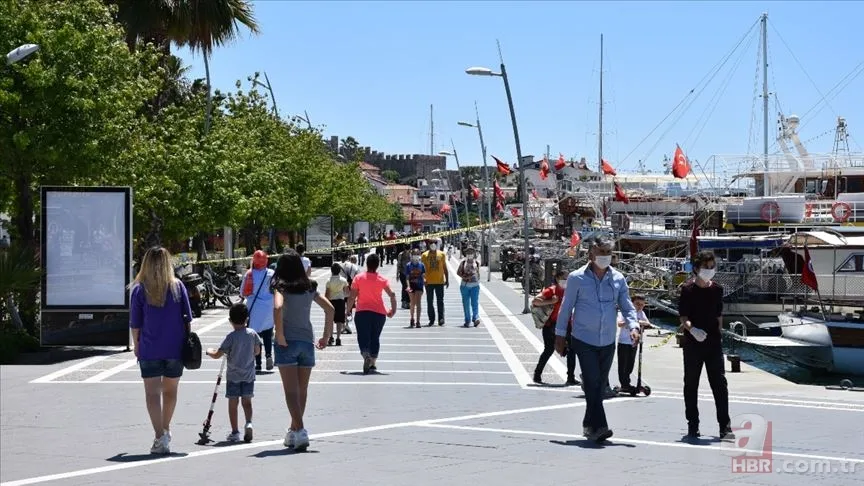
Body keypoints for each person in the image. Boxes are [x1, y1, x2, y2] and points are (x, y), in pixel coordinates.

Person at [555, 236, 640, 443]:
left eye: (608, 253)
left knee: (598, 386)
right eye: (601, 253)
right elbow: (566, 308)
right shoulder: (577, 278)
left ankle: (588, 425)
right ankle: (600, 427)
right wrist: (559, 335)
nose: (605, 257)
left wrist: (634, 326)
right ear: (591, 254)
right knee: (593, 382)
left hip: (607, 339)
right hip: (583, 338)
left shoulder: (618, 278)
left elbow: (627, 305)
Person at [129, 246, 193, 455]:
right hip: (175, 347)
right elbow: (188, 320)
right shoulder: (177, 287)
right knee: (171, 392)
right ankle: (166, 428)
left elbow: (135, 324)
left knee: (152, 394)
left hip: (149, 347)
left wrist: (137, 346)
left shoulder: (139, 289)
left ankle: (159, 436)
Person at [271, 249, 335, 451]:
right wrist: (326, 336)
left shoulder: (280, 288)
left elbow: (278, 308)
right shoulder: (309, 288)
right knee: (302, 390)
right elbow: (330, 309)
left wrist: (280, 334)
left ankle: (300, 430)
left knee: (290, 391)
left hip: (287, 342)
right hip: (307, 341)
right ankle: (293, 430)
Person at [679, 250, 734, 441]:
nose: (710, 270)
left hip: (713, 344)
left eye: (712, 267)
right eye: (706, 267)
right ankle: (692, 424)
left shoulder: (717, 289)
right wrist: (692, 330)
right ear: (696, 268)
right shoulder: (687, 289)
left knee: (719, 384)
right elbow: (684, 317)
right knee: (691, 384)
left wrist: (718, 335)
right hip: (693, 343)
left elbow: (719, 315)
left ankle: (724, 426)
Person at [205, 303, 263, 443]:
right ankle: (248, 423)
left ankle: (235, 431)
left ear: (230, 321)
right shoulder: (252, 334)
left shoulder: (231, 337)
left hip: (233, 376)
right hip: (249, 375)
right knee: (247, 402)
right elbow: (257, 351)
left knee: (233, 403)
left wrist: (209, 351)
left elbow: (218, 354)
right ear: (247, 319)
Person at [347, 254, 397, 374]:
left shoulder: (358, 278)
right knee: (375, 337)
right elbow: (392, 294)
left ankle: (365, 355)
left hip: (362, 311)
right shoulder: (382, 279)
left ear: (366, 264)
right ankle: (373, 362)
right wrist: (392, 311)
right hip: (379, 313)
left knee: (363, 336)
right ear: (378, 265)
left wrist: (347, 310)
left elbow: (352, 296)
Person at [532, 270, 577, 385]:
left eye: (567, 278)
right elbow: (535, 301)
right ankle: (537, 374)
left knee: (572, 350)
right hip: (551, 325)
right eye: (563, 278)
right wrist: (550, 301)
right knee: (549, 350)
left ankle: (571, 377)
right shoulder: (552, 290)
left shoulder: (570, 291)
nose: (566, 280)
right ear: (557, 278)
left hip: (567, 325)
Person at [240, 250, 276, 372]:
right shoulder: (271, 273)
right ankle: (269, 356)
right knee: (267, 334)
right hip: (268, 308)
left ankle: (258, 363)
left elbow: (242, 293)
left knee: (255, 337)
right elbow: (277, 289)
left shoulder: (249, 274)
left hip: (254, 309)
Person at [616, 294, 654, 393]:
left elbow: (647, 323)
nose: (639, 307)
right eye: (637, 304)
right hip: (624, 341)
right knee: (623, 364)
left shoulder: (641, 313)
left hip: (634, 342)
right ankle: (624, 384)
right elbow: (620, 323)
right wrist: (632, 323)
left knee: (630, 363)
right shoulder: (626, 312)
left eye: (642, 305)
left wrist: (637, 322)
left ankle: (628, 382)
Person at [421, 238, 448, 326]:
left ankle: (441, 318)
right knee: (429, 301)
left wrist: (447, 279)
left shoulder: (442, 254)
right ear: (428, 244)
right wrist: (424, 279)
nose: (433, 244)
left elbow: (444, 267)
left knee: (440, 301)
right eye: (431, 243)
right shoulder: (424, 255)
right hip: (429, 282)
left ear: (437, 244)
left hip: (439, 281)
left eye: (434, 243)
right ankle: (431, 319)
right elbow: (422, 270)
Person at [325, 263, 350, 346]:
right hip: (340, 301)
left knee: (330, 320)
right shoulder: (343, 280)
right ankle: (338, 338)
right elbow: (347, 293)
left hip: (331, 302)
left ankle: (331, 337)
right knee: (339, 321)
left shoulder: (328, 281)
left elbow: (327, 294)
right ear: (339, 271)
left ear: (331, 271)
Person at [456, 246, 481, 328]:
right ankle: (467, 320)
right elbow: (458, 272)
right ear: (466, 254)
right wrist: (465, 277)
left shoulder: (477, 263)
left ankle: (476, 318)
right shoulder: (463, 263)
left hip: (475, 286)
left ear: (474, 254)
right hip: (465, 286)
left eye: (471, 253)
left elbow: (478, 273)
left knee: (475, 302)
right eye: (468, 253)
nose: (470, 254)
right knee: (466, 304)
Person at [404, 248, 426, 328]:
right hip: (411, 285)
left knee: (418, 303)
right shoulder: (408, 265)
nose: (416, 256)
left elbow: (423, 274)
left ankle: (418, 321)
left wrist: (424, 279)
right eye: (414, 254)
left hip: (419, 285)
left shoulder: (422, 265)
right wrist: (408, 286)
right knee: (412, 303)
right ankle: (412, 318)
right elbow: (407, 277)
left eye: (417, 254)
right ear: (411, 255)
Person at [396, 245, 412, 309]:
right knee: (405, 286)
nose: (407, 250)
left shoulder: (411, 254)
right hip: (402, 273)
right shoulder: (401, 254)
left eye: (408, 249)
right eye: (406, 249)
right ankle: (403, 302)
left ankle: (408, 302)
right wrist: (397, 274)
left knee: (409, 287)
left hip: (410, 274)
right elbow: (398, 264)